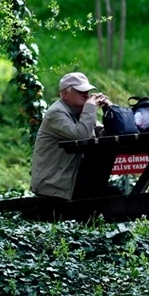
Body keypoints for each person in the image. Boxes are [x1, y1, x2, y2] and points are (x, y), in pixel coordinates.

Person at [30, 71, 112, 200]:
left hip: (71, 176)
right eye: (80, 91)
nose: (86, 95)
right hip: (54, 184)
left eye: (87, 91)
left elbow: (103, 134)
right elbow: (82, 135)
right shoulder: (56, 113)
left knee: (107, 158)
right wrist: (90, 107)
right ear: (65, 94)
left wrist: (109, 109)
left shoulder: (80, 111)